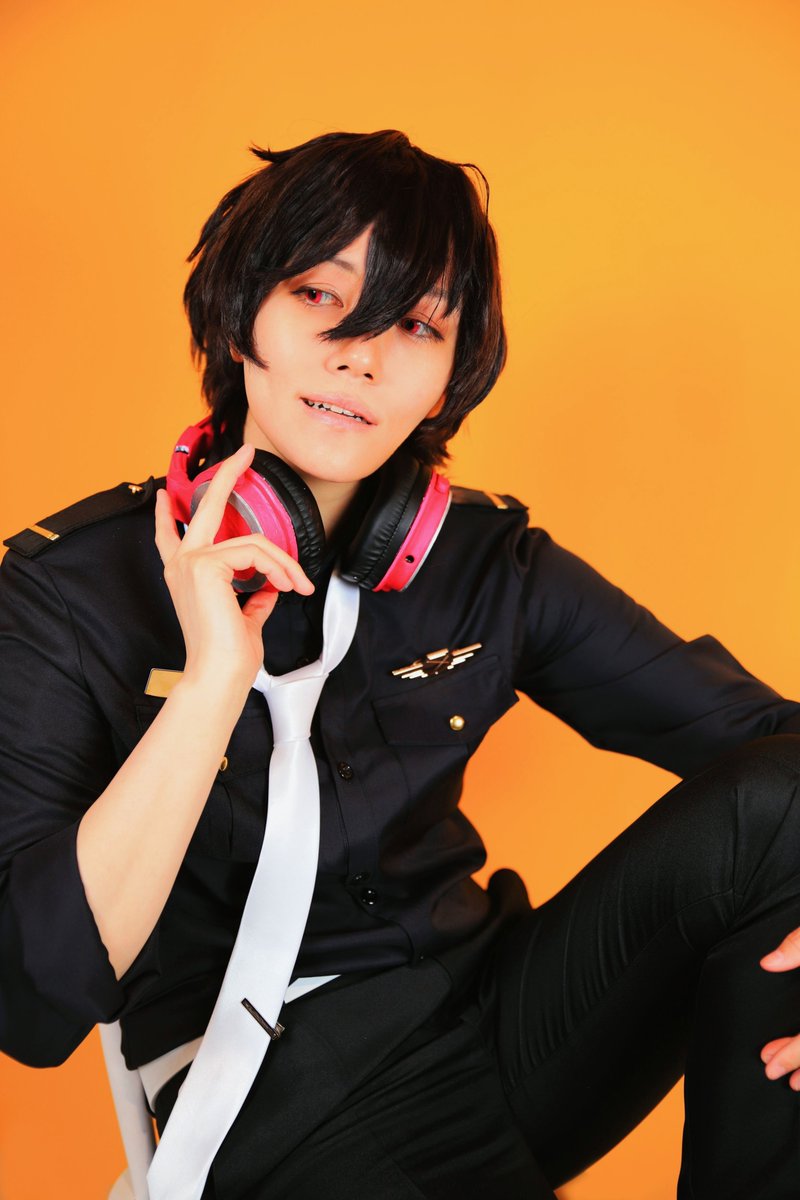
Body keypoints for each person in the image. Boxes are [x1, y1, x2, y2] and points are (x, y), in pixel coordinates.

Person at [1, 129, 800, 1200]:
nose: (362, 355)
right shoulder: (67, 590)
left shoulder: (489, 563)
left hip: (501, 1024)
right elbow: (32, 1001)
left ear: (446, 380)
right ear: (239, 318)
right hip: (279, 1100)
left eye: (416, 324)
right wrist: (210, 687)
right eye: (319, 298)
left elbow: (768, 748)